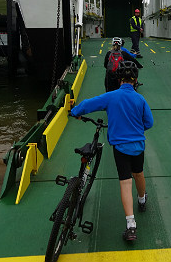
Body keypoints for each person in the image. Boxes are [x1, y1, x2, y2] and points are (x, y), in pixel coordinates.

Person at [70, 61, 154, 241]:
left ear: (119, 80)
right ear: (136, 80)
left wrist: (75, 111)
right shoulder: (140, 99)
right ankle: (142, 200)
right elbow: (149, 123)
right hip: (138, 145)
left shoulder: (111, 96)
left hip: (120, 147)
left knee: (125, 183)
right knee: (138, 174)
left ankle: (131, 226)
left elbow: (88, 104)